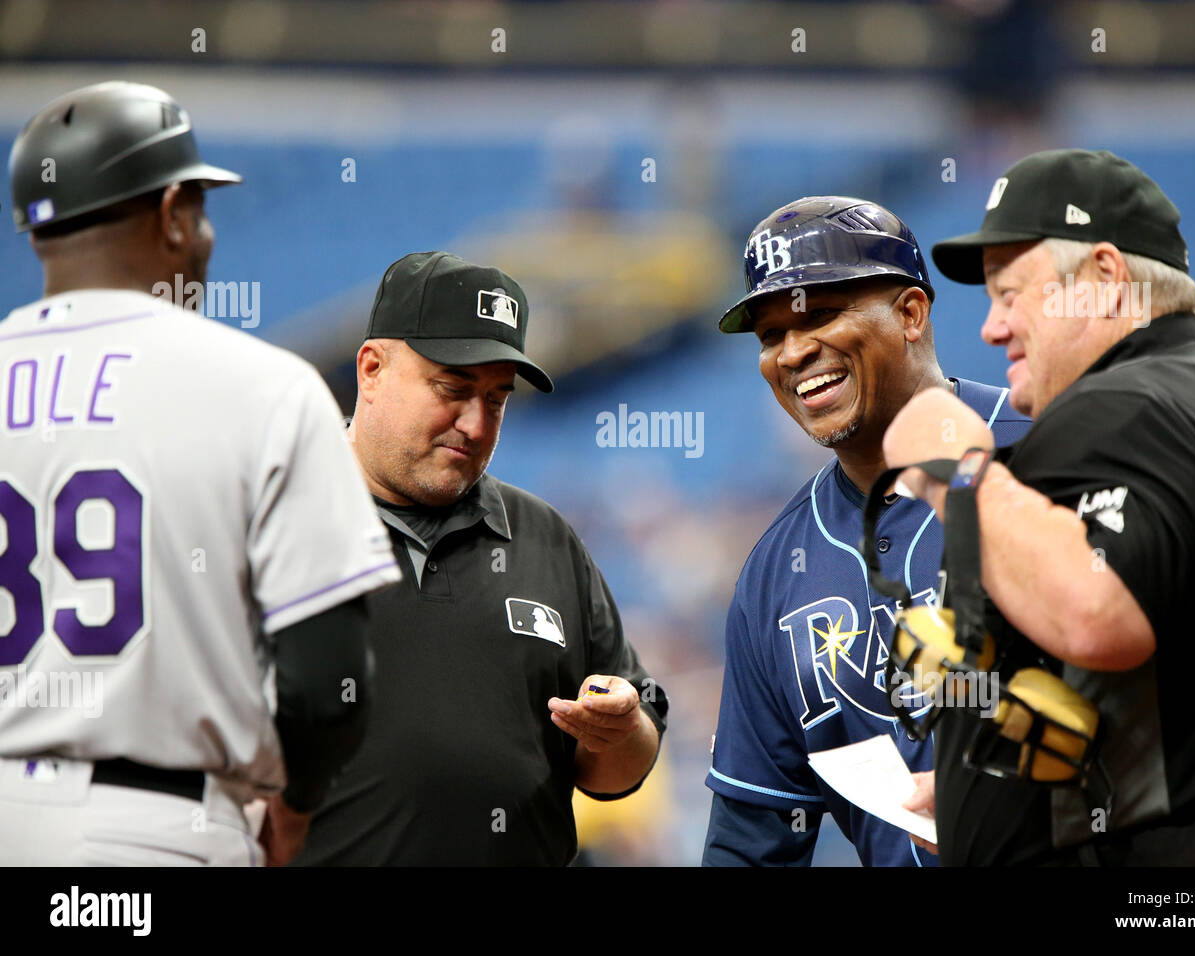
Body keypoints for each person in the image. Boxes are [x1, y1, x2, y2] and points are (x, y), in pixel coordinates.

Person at [0, 82, 399, 866]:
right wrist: (296, 807)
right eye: (202, 209)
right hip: (156, 834)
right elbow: (327, 690)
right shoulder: (265, 387)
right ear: (174, 209)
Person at [886, 148, 1195, 865]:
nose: (990, 328)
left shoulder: (1130, 404)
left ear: (1105, 279)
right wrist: (987, 793)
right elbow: (1165, 717)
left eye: (1010, 294)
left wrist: (950, 461)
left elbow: (1096, 611)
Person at [292, 251, 669, 866]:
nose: (475, 423)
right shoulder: (274, 516)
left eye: (496, 398)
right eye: (453, 388)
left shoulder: (545, 539)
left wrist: (622, 730)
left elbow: (616, 768)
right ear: (371, 368)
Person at [702, 196, 1032, 866]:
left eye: (820, 315)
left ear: (911, 314)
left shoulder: (1056, 454)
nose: (793, 353)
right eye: (770, 337)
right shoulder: (774, 577)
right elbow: (753, 840)